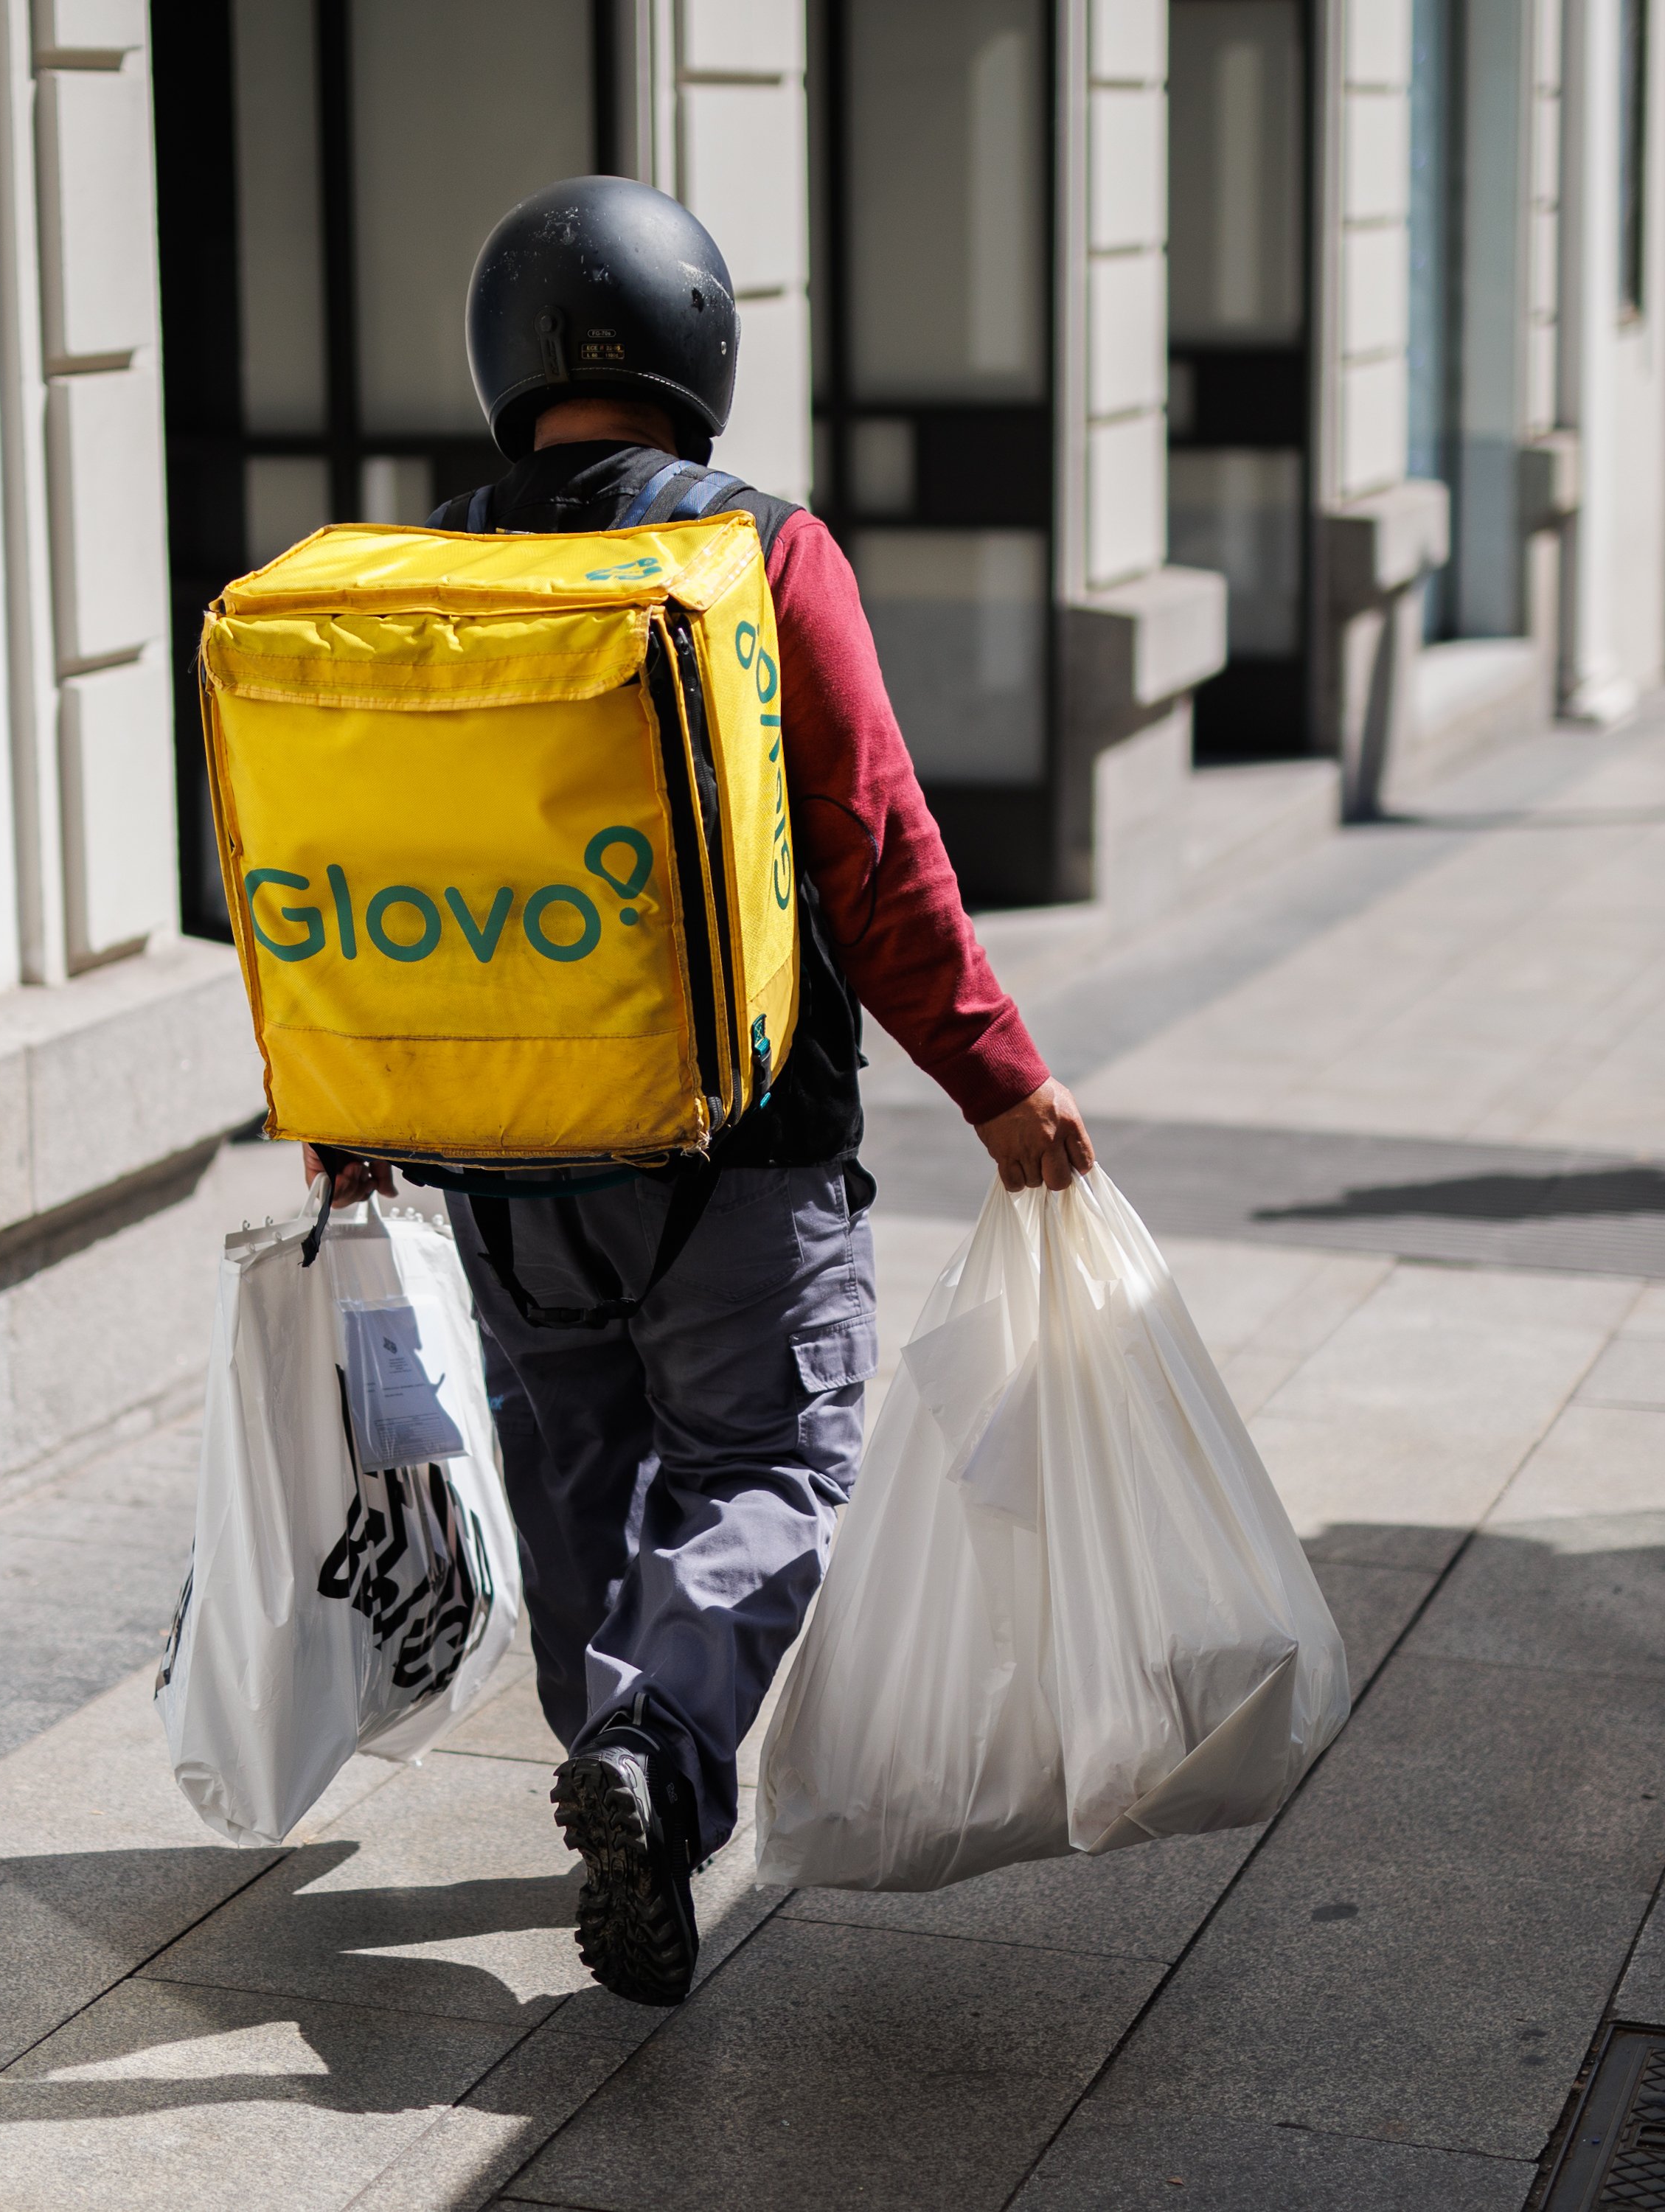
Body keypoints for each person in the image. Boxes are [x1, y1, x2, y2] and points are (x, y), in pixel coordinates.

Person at [305, 177, 1096, 2006]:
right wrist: (997, 1079)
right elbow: (875, 852)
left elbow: (355, 874)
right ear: (696, 347)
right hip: (738, 1150)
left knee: (579, 1471)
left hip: (502, 1152)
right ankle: (659, 1753)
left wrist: (351, 1119)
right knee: (765, 1458)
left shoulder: (435, 578)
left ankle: (629, 1775)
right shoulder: (757, 553)